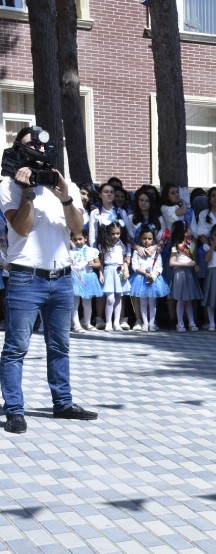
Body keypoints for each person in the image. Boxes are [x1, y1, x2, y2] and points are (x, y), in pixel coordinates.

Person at [0, 126, 98, 433]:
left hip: (62, 278)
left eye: (44, 146)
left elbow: (78, 228)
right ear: (18, 149)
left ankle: (63, 403)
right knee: (16, 348)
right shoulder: (8, 185)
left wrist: (66, 197)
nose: (40, 151)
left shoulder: (60, 181)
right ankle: (14, 409)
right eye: (31, 145)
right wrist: (28, 192)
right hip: (25, 279)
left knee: (60, 346)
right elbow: (21, 229)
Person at [129, 228, 169, 331]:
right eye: (144, 238)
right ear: (140, 239)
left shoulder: (156, 252)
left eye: (149, 238)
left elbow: (159, 267)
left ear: (153, 239)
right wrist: (146, 273)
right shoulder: (137, 252)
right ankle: (145, 323)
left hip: (153, 278)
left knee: (152, 302)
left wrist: (153, 275)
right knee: (143, 302)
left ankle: (151, 323)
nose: (147, 241)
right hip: (141, 279)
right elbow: (135, 266)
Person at [168, 221, 201, 332]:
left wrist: (195, 265)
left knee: (188, 300)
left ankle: (191, 322)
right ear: (184, 231)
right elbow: (171, 263)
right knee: (181, 300)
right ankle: (180, 323)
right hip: (180, 274)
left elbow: (192, 258)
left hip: (189, 273)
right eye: (188, 228)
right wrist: (186, 264)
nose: (190, 230)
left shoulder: (191, 243)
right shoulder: (176, 246)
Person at [99, 221, 131, 332]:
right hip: (109, 270)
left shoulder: (122, 245)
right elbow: (101, 261)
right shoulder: (104, 245)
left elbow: (124, 260)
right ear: (108, 233)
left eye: (117, 233)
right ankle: (108, 322)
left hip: (119, 271)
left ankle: (116, 322)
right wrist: (101, 273)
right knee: (110, 298)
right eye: (113, 234)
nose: (115, 236)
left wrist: (126, 270)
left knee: (119, 297)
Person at [69, 230, 102, 332]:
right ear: (71, 240)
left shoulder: (92, 251)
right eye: (75, 240)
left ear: (85, 238)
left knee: (87, 302)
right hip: (75, 277)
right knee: (75, 302)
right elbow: (69, 263)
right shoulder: (70, 252)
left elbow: (99, 264)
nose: (78, 242)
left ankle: (87, 323)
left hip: (88, 277)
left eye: (80, 239)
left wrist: (93, 264)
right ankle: (76, 324)